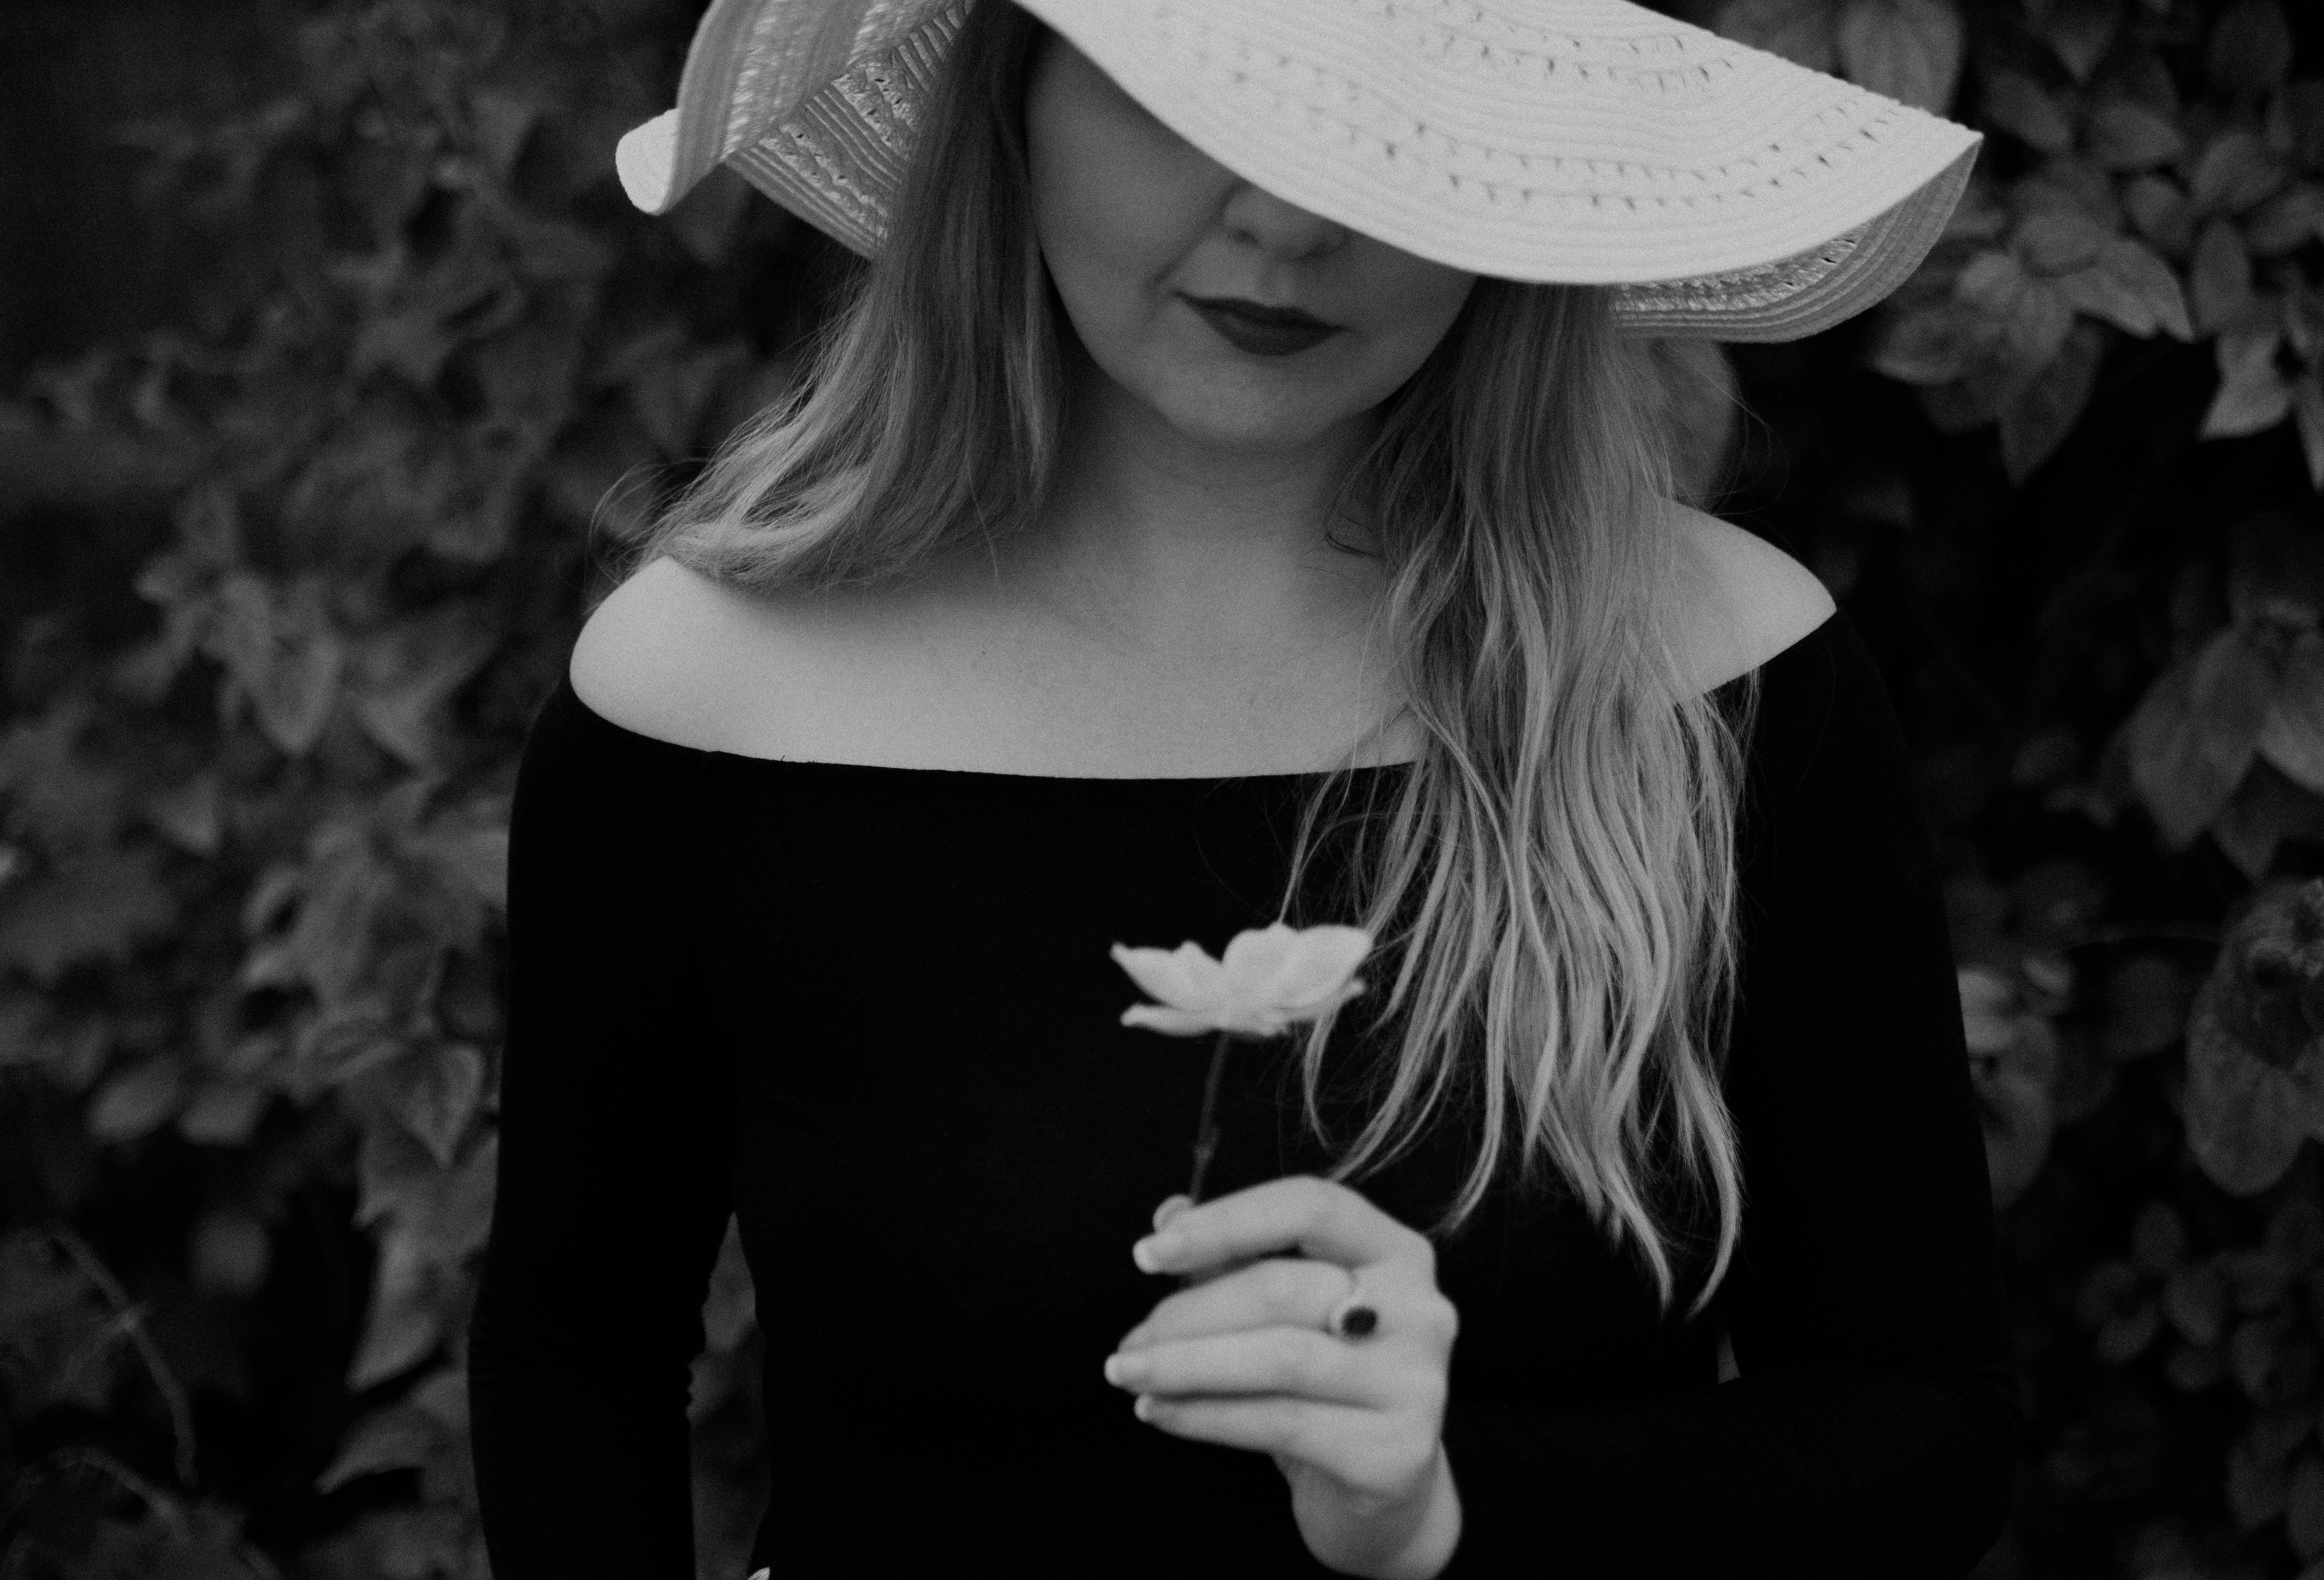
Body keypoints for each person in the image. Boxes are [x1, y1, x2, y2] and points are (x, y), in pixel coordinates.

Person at [465, 1, 2016, 1575]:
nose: (1288, 221)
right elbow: (574, 1362)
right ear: (1014, 96)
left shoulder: (1718, 683)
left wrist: (1453, 1509)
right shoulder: (711, 698)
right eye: (1190, 96)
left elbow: (1928, 1427)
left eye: (1387, 119)